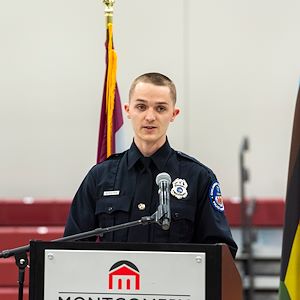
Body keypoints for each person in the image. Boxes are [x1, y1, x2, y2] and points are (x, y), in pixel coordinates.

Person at [64, 72, 238, 257]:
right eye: (141, 106)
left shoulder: (199, 178)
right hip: (115, 283)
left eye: (160, 108)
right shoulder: (100, 177)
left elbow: (221, 254)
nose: (150, 117)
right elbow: (72, 248)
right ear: (128, 110)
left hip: (177, 285)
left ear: (173, 113)